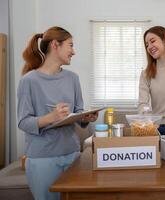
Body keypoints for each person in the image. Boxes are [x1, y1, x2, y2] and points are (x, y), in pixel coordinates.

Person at [17, 26, 98, 200]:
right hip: (42, 159)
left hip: (73, 155)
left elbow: (78, 112)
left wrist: (86, 118)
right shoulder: (29, 81)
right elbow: (23, 122)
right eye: (70, 45)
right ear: (55, 45)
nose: (73, 51)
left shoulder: (73, 78)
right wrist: (50, 118)